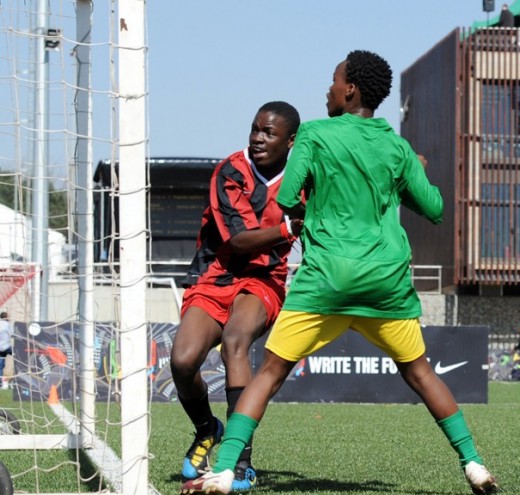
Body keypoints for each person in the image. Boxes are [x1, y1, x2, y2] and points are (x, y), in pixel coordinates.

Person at [180, 50, 499, 495]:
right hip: (384, 283)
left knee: (270, 371)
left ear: (349, 89)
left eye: (333, 81)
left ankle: (227, 469)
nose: (327, 89)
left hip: (327, 281)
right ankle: (475, 466)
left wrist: (326, 182)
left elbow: (290, 198)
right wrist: (407, 175)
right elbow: (435, 208)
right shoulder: (396, 145)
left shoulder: (313, 134)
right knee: (422, 373)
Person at [170, 101, 303, 492]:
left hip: (264, 278)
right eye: (255, 129)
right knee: (182, 361)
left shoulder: (302, 177)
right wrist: (290, 226)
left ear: (290, 141)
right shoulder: (231, 169)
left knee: (236, 342)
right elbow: (239, 240)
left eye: (269, 133)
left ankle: (240, 462)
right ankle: (206, 429)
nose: (258, 138)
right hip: (215, 275)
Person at [0, 312, 11, 389]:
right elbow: (13, 333)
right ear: (6, 317)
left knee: (1, 366)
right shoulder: (7, 324)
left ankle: (2, 382)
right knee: (19, 357)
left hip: (0, 348)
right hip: (6, 347)